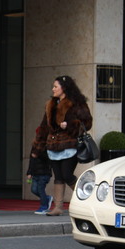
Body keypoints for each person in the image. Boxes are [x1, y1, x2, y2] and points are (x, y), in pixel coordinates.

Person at [31, 75, 92, 216]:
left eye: (55, 86)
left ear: (63, 88)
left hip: (69, 145)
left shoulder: (77, 103)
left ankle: (88, 199)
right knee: (58, 176)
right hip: (53, 146)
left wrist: (70, 125)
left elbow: (87, 123)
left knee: (67, 175)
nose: (53, 89)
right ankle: (58, 207)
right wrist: (37, 148)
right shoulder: (50, 105)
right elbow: (43, 127)